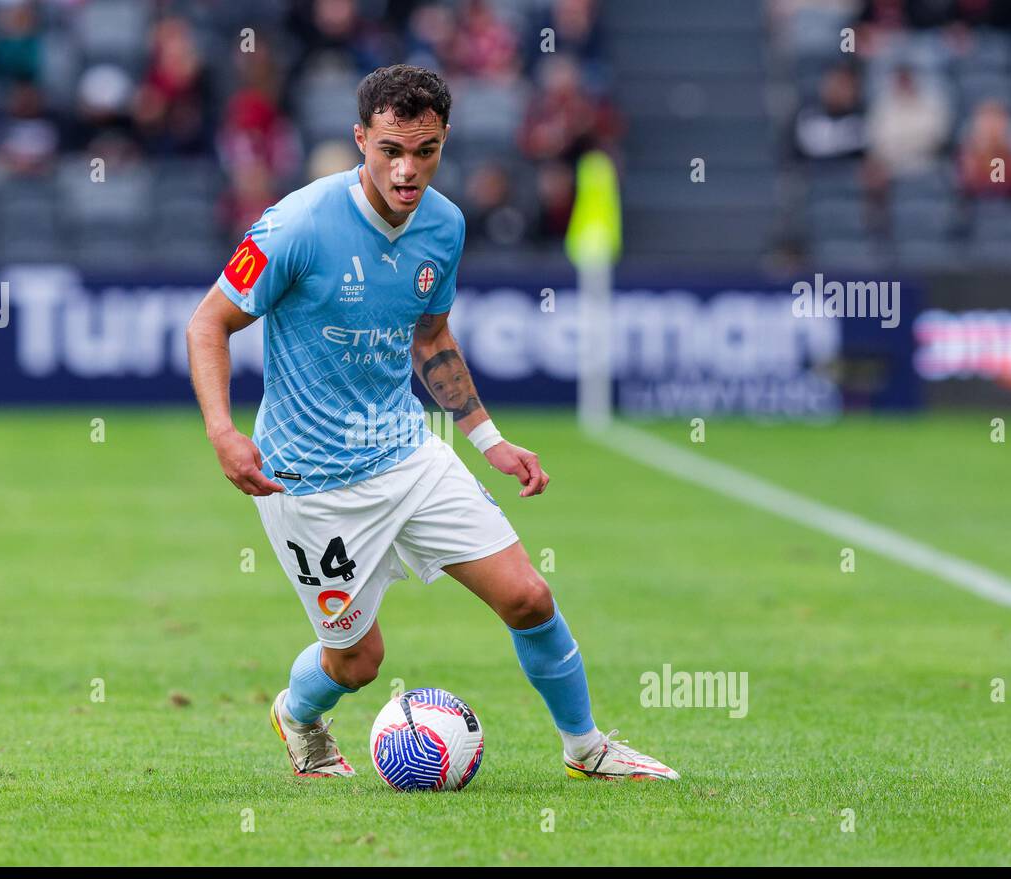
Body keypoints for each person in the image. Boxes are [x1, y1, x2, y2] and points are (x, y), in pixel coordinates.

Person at [186, 64, 679, 782]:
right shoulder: (296, 223)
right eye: (391, 150)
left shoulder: (445, 225)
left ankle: (586, 748)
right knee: (357, 663)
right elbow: (209, 323)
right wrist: (224, 434)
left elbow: (432, 339)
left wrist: (489, 439)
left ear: (444, 141)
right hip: (308, 482)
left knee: (528, 595)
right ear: (361, 140)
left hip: (408, 456)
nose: (408, 169)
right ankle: (298, 713)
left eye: (426, 150)